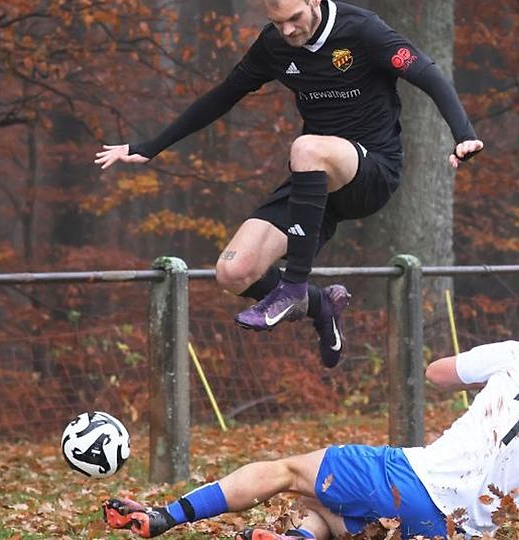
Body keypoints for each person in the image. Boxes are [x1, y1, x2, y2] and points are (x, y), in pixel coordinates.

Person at [94, 0, 484, 368]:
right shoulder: (274, 45)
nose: (287, 29)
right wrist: (151, 146)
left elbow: (429, 74)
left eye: (294, 17)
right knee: (233, 273)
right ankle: (320, 305)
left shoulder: (363, 30)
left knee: (305, 148)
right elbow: (223, 96)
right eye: (278, 21)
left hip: (372, 170)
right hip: (314, 181)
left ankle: (294, 286)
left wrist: (463, 134)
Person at [101, 311, 519, 539]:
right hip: (454, 528)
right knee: (333, 514)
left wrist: (476, 374)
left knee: (288, 473)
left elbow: (438, 373)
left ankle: (164, 517)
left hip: (413, 477)